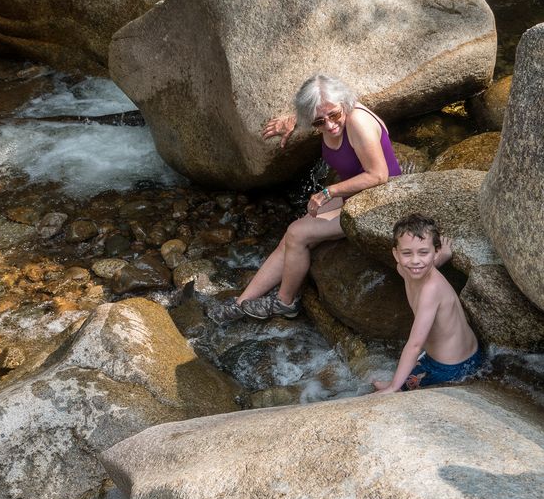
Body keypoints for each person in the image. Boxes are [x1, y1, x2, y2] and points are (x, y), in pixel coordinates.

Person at [207, 74, 402, 323]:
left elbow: (378, 175)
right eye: (319, 122)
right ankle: (241, 303)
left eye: (334, 115)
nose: (330, 126)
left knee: (298, 234)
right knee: (290, 236)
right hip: (356, 197)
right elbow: (316, 112)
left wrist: (327, 191)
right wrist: (292, 122)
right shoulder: (326, 117)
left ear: (344, 103)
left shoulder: (358, 122)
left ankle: (285, 303)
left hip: (379, 202)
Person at [373, 214, 482, 393]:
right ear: (396, 254)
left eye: (423, 252)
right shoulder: (405, 268)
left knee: (396, 394)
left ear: (435, 252)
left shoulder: (431, 290)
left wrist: (393, 388)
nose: (415, 261)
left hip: (452, 368)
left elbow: (415, 344)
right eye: (407, 253)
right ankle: (400, 382)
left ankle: (398, 386)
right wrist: (444, 257)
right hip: (448, 356)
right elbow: (421, 266)